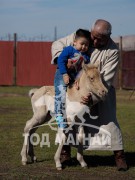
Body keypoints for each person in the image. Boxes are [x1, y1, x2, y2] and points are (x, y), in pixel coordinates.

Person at [51, 19, 128, 171]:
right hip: (76, 91)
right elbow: (57, 45)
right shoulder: (83, 36)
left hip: (100, 92)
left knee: (109, 122)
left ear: (108, 36)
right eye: (94, 36)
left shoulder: (112, 51)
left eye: (100, 38)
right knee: (70, 120)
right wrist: (65, 61)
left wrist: (91, 98)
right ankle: (65, 152)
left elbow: (105, 79)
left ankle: (119, 156)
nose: (94, 41)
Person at [54, 29, 91, 129]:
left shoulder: (86, 57)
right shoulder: (69, 50)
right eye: (82, 44)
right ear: (75, 42)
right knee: (60, 93)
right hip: (62, 74)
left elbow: (83, 70)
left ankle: (74, 115)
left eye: (86, 45)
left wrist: (78, 79)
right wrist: (65, 74)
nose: (84, 47)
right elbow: (61, 61)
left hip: (74, 77)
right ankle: (59, 116)